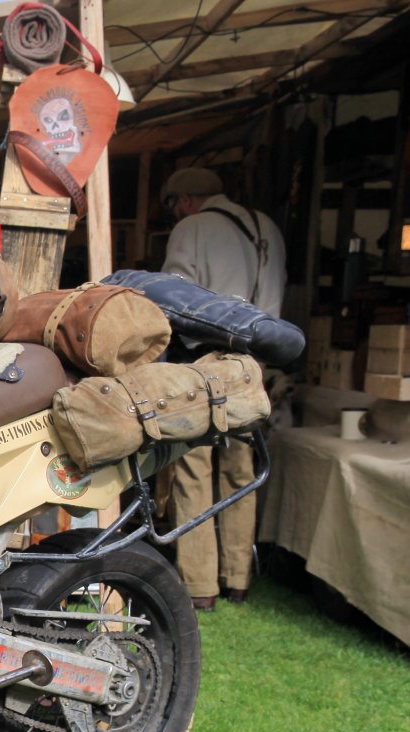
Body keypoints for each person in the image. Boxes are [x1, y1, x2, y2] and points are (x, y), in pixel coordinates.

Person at [160, 167, 286, 611]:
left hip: (205, 359)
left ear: (185, 200)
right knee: (240, 467)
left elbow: (173, 299)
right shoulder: (266, 228)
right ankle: (237, 577)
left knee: (193, 464)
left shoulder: (192, 228)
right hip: (255, 360)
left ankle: (199, 585)